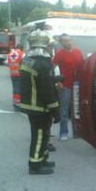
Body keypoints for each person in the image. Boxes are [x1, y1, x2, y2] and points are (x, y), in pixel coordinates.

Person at [20, 29, 60, 175]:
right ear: (44, 46)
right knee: (40, 135)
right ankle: (35, 165)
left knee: (43, 133)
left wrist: (53, 79)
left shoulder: (28, 60)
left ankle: (42, 158)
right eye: (50, 46)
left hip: (31, 104)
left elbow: (37, 81)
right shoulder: (44, 63)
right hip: (40, 106)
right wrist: (56, 109)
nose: (51, 49)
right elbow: (47, 89)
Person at [53, 34, 84, 141]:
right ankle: (63, 132)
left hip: (77, 86)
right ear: (61, 43)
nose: (68, 42)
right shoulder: (59, 54)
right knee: (64, 111)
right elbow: (51, 68)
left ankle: (77, 132)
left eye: (69, 40)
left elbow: (83, 66)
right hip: (65, 86)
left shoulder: (78, 52)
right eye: (65, 41)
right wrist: (57, 82)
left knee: (77, 110)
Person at [7, 44, 24, 111]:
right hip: (19, 74)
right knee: (19, 89)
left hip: (12, 74)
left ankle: (14, 102)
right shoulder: (21, 54)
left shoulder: (10, 54)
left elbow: (8, 63)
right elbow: (25, 63)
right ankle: (18, 104)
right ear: (21, 48)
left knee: (15, 89)